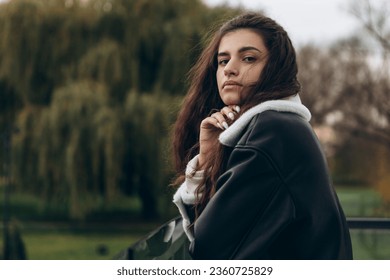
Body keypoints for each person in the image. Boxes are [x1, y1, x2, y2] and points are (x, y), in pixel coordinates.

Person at [171, 12, 352, 260]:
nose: (230, 69)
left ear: (275, 67)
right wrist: (207, 160)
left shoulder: (271, 134)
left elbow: (209, 253)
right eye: (223, 61)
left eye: (248, 58)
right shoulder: (281, 126)